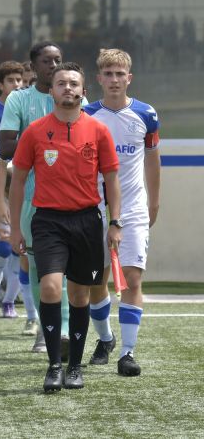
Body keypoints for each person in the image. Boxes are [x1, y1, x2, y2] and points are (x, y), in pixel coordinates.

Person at [9, 62, 121, 392]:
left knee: (79, 294)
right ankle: (54, 365)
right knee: (49, 288)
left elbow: (112, 180)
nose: (68, 87)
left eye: (74, 83)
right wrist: (15, 228)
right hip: (47, 221)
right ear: (52, 90)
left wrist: (115, 222)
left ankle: (74, 366)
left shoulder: (98, 131)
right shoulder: (35, 131)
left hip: (87, 220)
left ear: (83, 92)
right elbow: (17, 182)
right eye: (61, 83)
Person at [0, 42, 81, 356]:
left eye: (59, 59)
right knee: (37, 265)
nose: (55, 64)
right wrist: (44, 143)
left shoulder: (77, 99)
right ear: (33, 66)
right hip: (33, 197)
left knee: (73, 269)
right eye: (48, 61)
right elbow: (5, 148)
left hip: (74, 196)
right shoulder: (20, 99)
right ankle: (46, 331)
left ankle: (68, 329)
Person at [84, 49, 160, 377]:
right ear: (98, 78)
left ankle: (128, 353)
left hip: (132, 209)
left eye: (120, 74)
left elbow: (152, 161)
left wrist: (153, 203)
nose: (114, 80)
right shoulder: (85, 116)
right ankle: (106, 338)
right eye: (108, 74)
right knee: (95, 282)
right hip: (91, 211)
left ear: (129, 78)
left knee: (131, 278)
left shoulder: (147, 114)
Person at [0, 61, 39, 331]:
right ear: (0, 85)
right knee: (0, 242)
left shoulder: (30, 104)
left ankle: (10, 301)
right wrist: (18, 147)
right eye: (11, 81)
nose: (17, 85)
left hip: (24, 174)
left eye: (20, 80)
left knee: (20, 250)